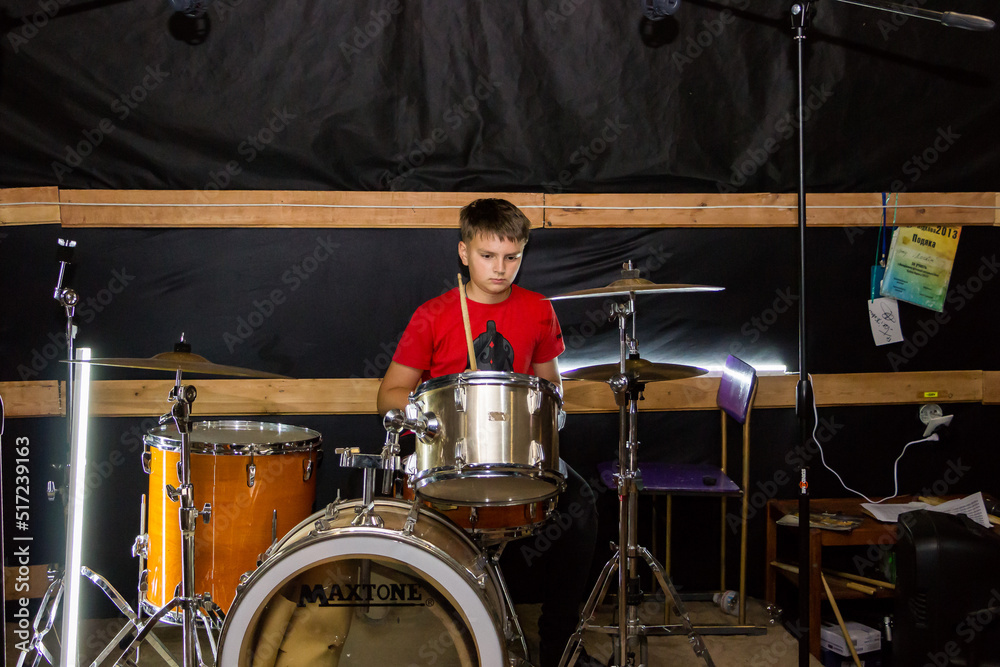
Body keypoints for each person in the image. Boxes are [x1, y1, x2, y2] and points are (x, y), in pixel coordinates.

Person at [377, 198, 601, 667]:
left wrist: (549, 411)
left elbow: (551, 386)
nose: (501, 269)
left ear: (522, 254)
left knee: (581, 507)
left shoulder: (539, 310)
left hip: (517, 453)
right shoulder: (433, 314)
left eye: (512, 257)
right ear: (463, 252)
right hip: (447, 458)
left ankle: (560, 645)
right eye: (487, 256)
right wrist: (426, 418)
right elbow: (390, 394)